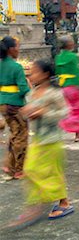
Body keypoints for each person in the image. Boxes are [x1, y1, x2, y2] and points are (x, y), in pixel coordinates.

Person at [9, 60, 72, 229]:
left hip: (52, 140)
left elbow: (65, 112)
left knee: (53, 172)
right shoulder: (31, 94)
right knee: (29, 170)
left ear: (45, 74)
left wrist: (44, 112)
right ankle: (37, 204)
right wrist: (25, 112)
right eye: (29, 72)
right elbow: (27, 113)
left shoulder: (54, 93)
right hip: (36, 139)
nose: (30, 75)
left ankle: (63, 203)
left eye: (34, 72)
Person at [0, 36, 29, 180]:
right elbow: (23, 89)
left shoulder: (1, 65)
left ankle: (9, 165)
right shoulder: (16, 67)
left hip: (3, 103)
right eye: (17, 47)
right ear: (10, 49)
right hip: (15, 104)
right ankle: (19, 169)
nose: (18, 50)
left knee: (14, 133)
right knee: (21, 136)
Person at [55, 36, 79, 142]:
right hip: (73, 85)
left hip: (63, 86)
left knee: (69, 110)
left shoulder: (58, 57)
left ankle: (62, 129)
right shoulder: (73, 56)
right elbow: (77, 72)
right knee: (78, 110)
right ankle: (76, 134)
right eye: (71, 42)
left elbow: (57, 72)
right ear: (69, 45)